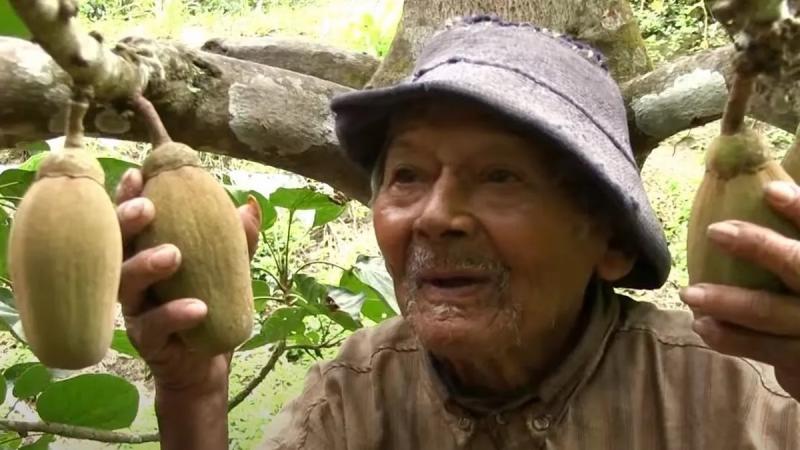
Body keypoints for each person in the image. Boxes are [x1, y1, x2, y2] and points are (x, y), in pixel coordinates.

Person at [114, 16, 800, 449]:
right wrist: (193, 395)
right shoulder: (353, 400)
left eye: (500, 177)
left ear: (610, 243)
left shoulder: (734, 398)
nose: (436, 216)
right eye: (408, 175)